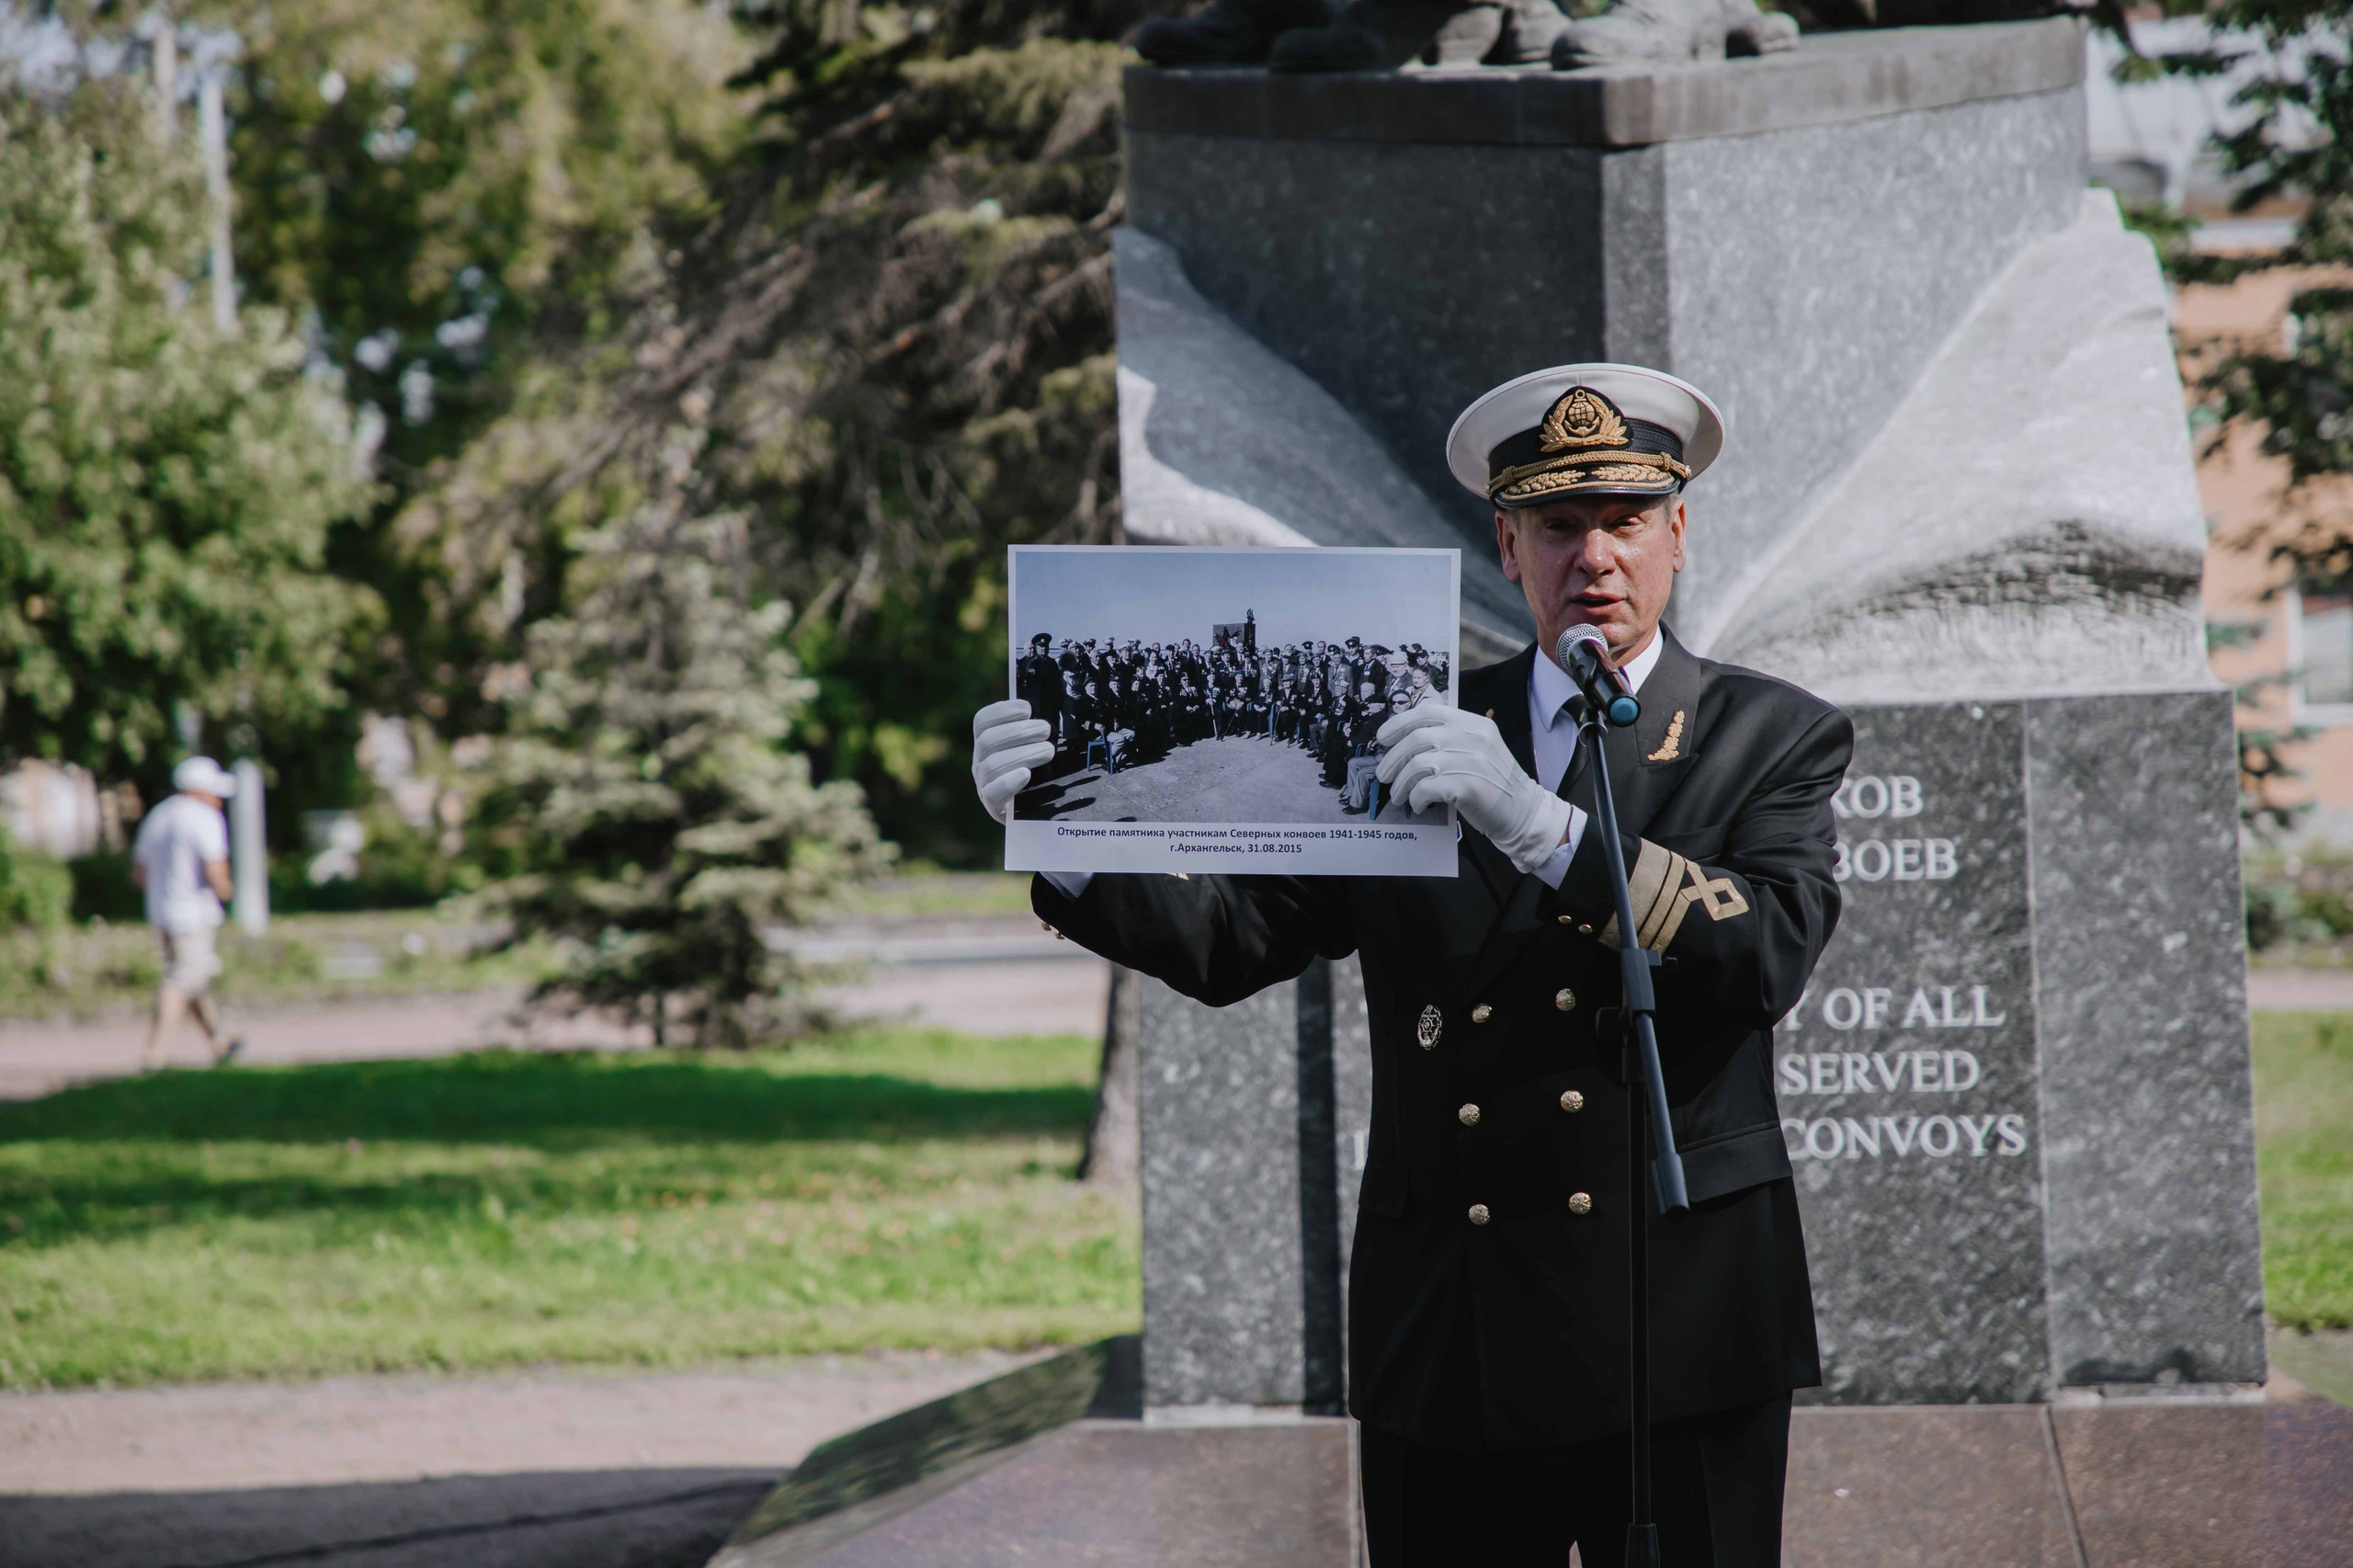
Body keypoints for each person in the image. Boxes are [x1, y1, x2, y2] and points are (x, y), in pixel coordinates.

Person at [972, 365, 1850, 1568]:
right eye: (1558, 525)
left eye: (1626, 520)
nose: (1594, 554)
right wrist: (1063, 837)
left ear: (1679, 532)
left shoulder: (1770, 731)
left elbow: (1768, 947)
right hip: (1456, 1314)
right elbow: (1237, 937)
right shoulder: (1407, 719)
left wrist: (1539, 825)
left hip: (1673, 1312)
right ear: (1507, 545)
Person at [131, 756, 248, 1070]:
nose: (218, 799)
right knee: (182, 981)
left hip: (161, 912)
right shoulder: (204, 818)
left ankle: (219, 1042)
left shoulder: (158, 815)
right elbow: (215, 869)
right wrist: (228, 892)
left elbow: (139, 873)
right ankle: (154, 1054)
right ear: (200, 790)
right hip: (194, 915)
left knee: (194, 980)